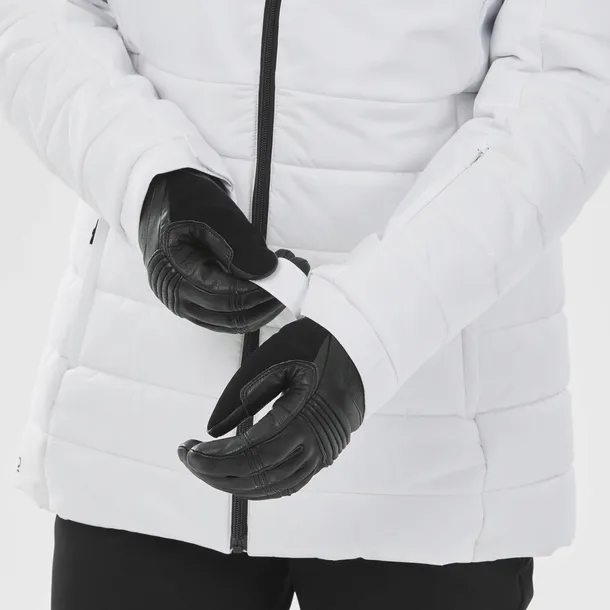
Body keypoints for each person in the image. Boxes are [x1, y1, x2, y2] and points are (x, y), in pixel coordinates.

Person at [1, 0, 609, 608]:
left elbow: (565, 88)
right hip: (138, 441)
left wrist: (369, 330)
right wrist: (146, 176)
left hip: (427, 461)